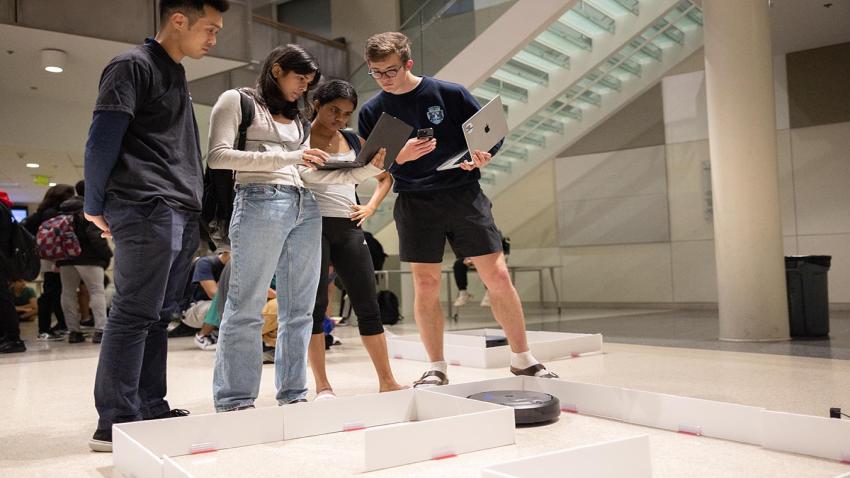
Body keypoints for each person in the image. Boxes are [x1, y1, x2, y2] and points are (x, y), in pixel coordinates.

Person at [358, 32, 558, 388]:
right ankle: (436, 366)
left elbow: (489, 133)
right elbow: (374, 165)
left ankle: (522, 358)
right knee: (426, 283)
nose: (384, 79)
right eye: (376, 73)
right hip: (415, 201)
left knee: (496, 275)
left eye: (390, 71)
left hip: (463, 194)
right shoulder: (373, 111)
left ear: (408, 63)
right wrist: (398, 157)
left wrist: (481, 153)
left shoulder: (449, 94)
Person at [83, 0, 230, 452]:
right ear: (178, 19)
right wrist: (93, 203)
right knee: (134, 310)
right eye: (208, 28)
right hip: (146, 203)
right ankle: (116, 420)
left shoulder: (176, 74)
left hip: (180, 207)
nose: (213, 39)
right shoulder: (132, 65)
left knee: (159, 313)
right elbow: (103, 134)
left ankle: (148, 405)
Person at [207, 44, 386, 411]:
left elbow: (311, 174)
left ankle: (293, 394)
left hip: (305, 206)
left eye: (308, 82)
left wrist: (372, 168)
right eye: (299, 78)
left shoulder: (299, 119)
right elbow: (218, 156)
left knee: (301, 310)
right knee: (245, 306)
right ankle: (235, 400)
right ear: (276, 69)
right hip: (259, 199)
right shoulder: (237, 101)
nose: (303, 88)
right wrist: (290, 155)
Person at [306, 79, 404, 399]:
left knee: (368, 305)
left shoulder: (351, 139)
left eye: (347, 113)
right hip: (309, 225)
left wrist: (371, 206)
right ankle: (322, 385)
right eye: (334, 110)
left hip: (348, 227)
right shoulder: (299, 136)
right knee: (316, 307)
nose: (340, 119)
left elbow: (384, 176)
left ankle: (387, 380)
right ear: (316, 104)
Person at [56, 196, 112, 344]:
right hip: (88, 258)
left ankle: (74, 332)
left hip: (65, 259)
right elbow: (95, 236)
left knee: (67, 293)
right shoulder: (86, 212)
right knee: (96, 291)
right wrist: (107, 255)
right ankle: (100, 330)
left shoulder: (60, 215)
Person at [22, 184, 75, 340]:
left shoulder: (41, 213)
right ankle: (44, 329)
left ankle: (59, 325)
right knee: (51, 293)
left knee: (54, 292)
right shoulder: (52, 214)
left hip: (46, 258)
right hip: (54, 259)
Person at [454, 234, 510, 308]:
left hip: (490, 258)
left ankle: (489, 292)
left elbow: (499, 252)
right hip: (474, 258)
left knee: (484, 263)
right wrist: (467, 258)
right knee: (458, 264)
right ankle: (463, 292)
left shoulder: (492, 233)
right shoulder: (467, 234)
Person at [0, 195, 26, 354]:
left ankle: (12, 338)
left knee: (3, 299)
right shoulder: (4, 208)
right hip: (4, 259)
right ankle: (8, 336)